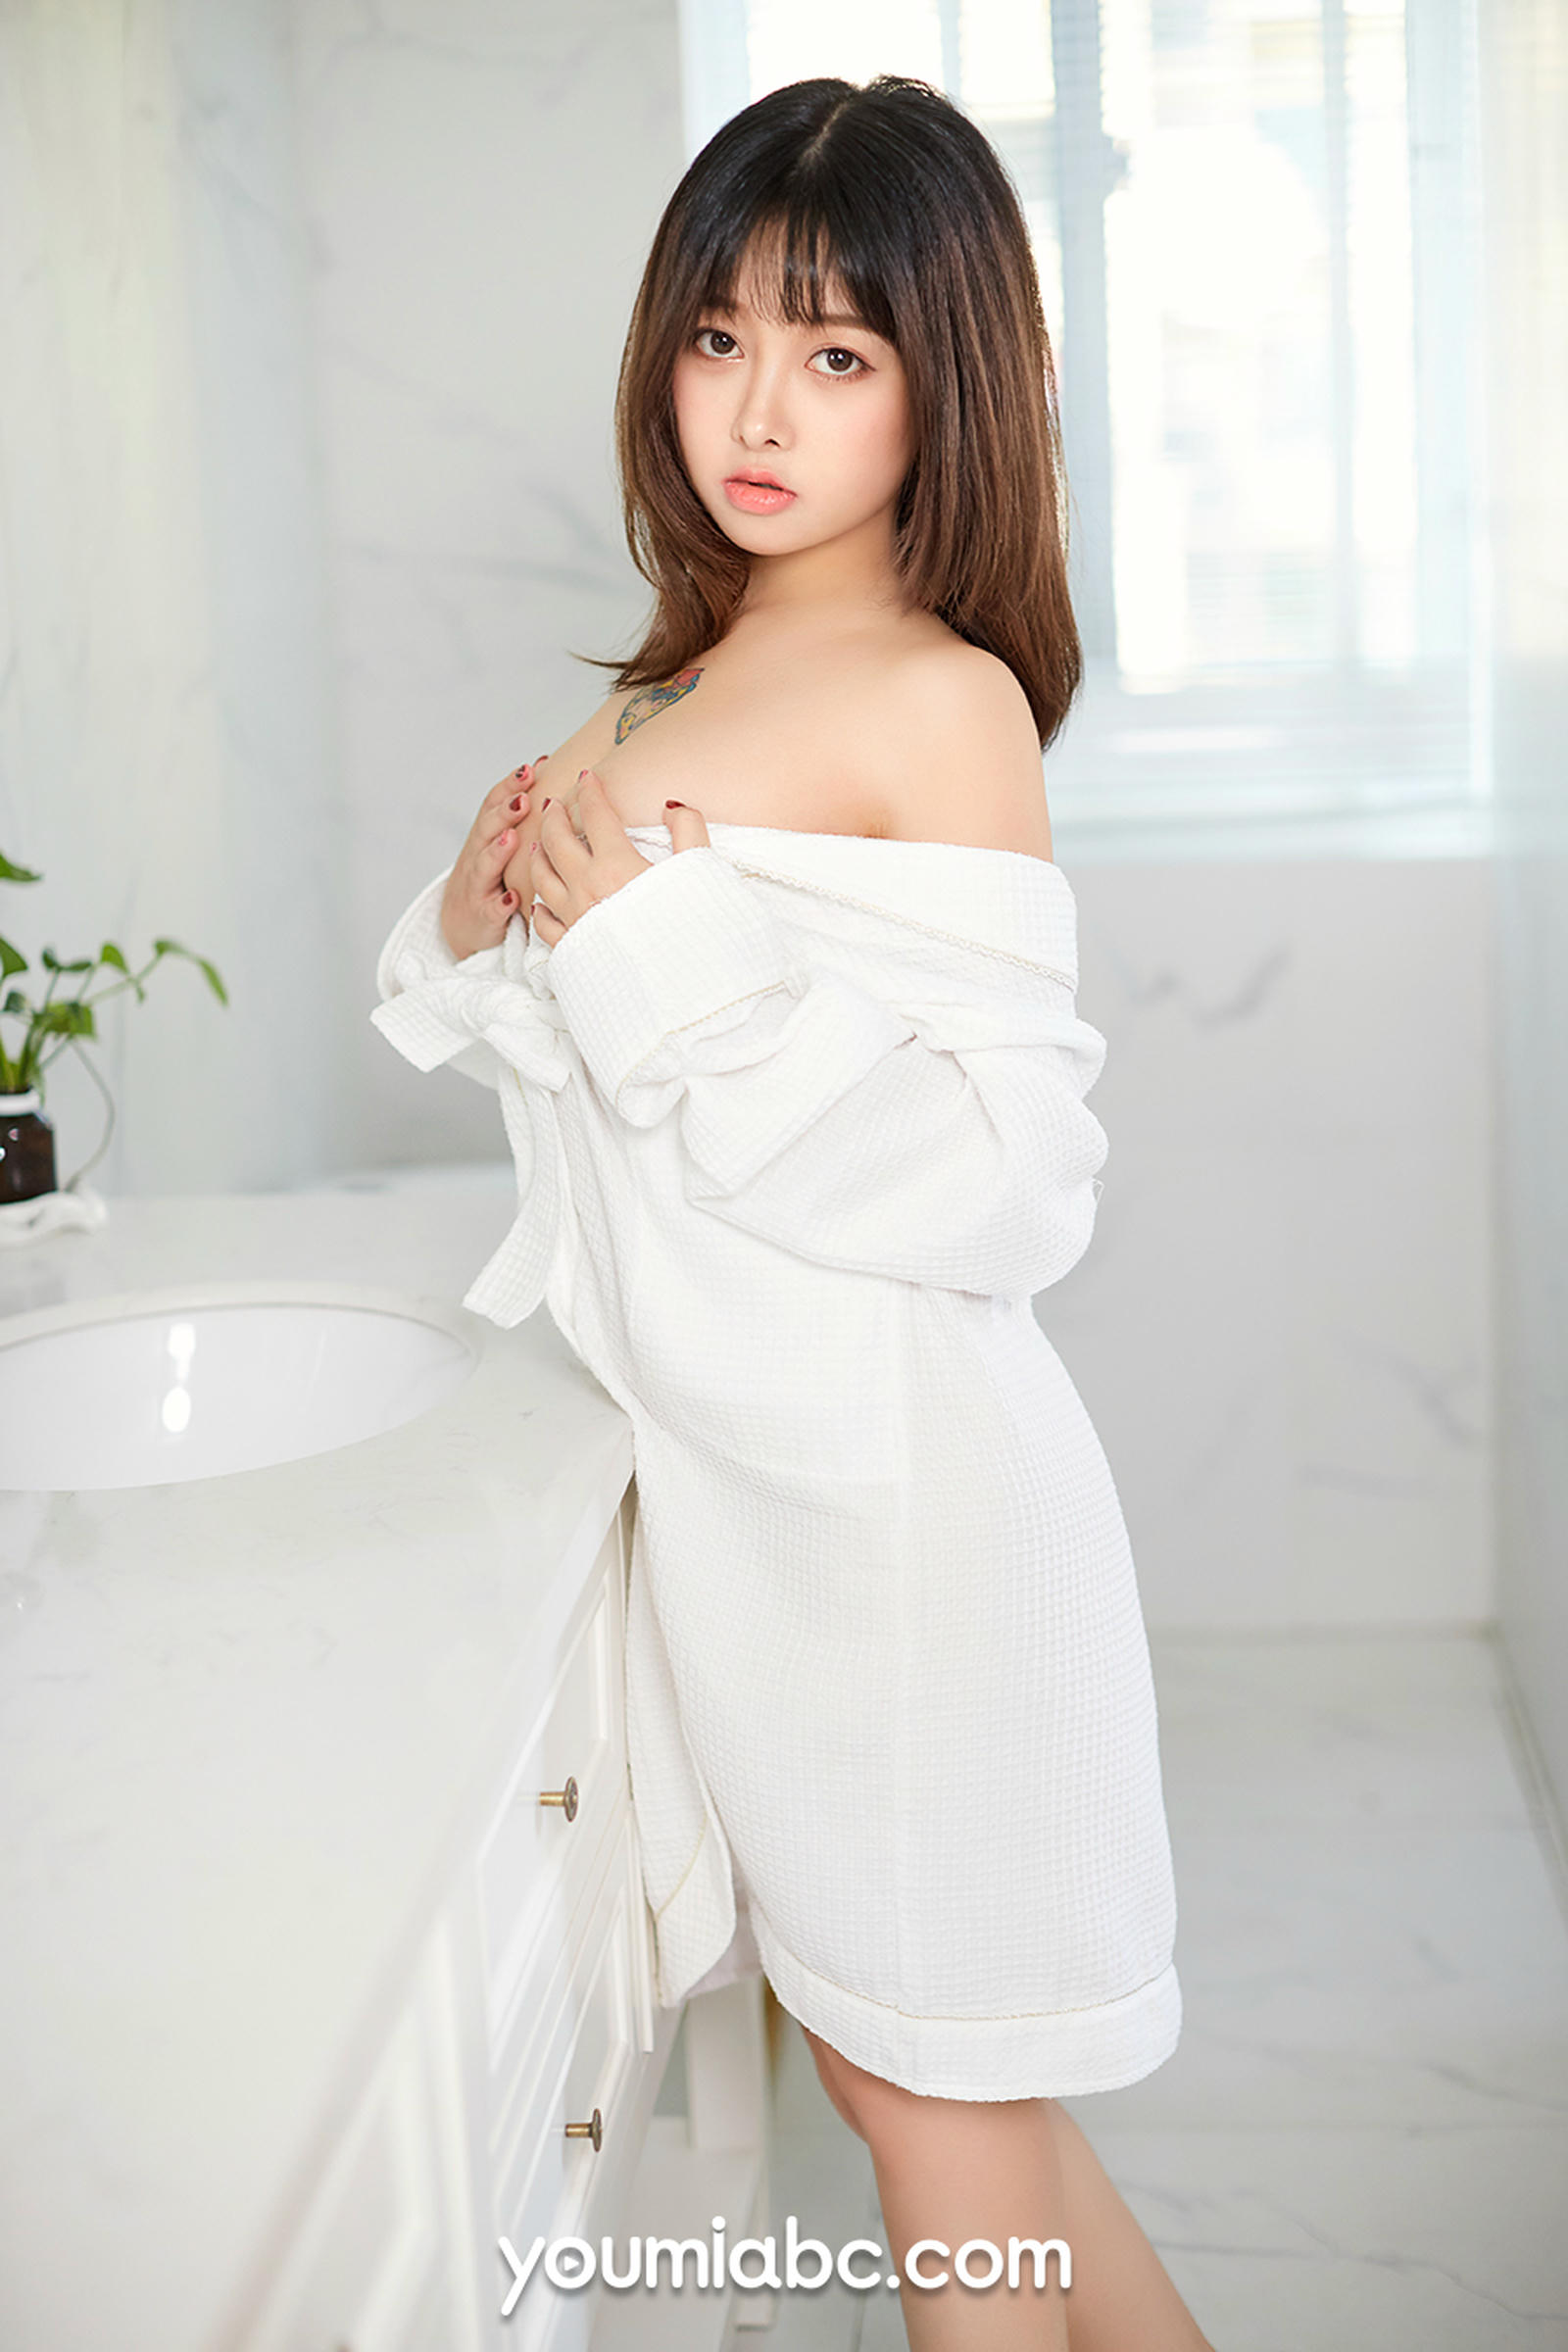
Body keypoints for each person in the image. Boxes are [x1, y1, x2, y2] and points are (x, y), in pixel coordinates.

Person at [373, 74, 1213, 2352]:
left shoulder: (939, 701)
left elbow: (1015, 1183)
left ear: (945, 384)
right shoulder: (675, 667)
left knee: (935, 2109)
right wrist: (483, 908)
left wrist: (651, 946)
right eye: (718, 336)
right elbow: (558, 1052)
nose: (758, 408)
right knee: (919, 2085)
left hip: (903, 1523)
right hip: (759, 1512)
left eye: (836, 353)